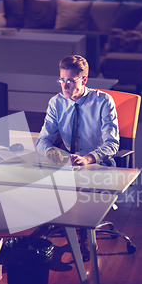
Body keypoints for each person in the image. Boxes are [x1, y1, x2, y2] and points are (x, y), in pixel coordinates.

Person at [36, 55, 119, 257]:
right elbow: (42, 141)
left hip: (98, 163)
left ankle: (83, 234)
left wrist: (89, 158)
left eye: (70, 81)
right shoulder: (56, 102)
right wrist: (51, 152)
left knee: (78, 188)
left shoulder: (102, 101)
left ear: (84, 80)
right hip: (69, 163)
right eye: (61, 80)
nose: (64, 86)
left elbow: (112, 144)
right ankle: (54, 231)